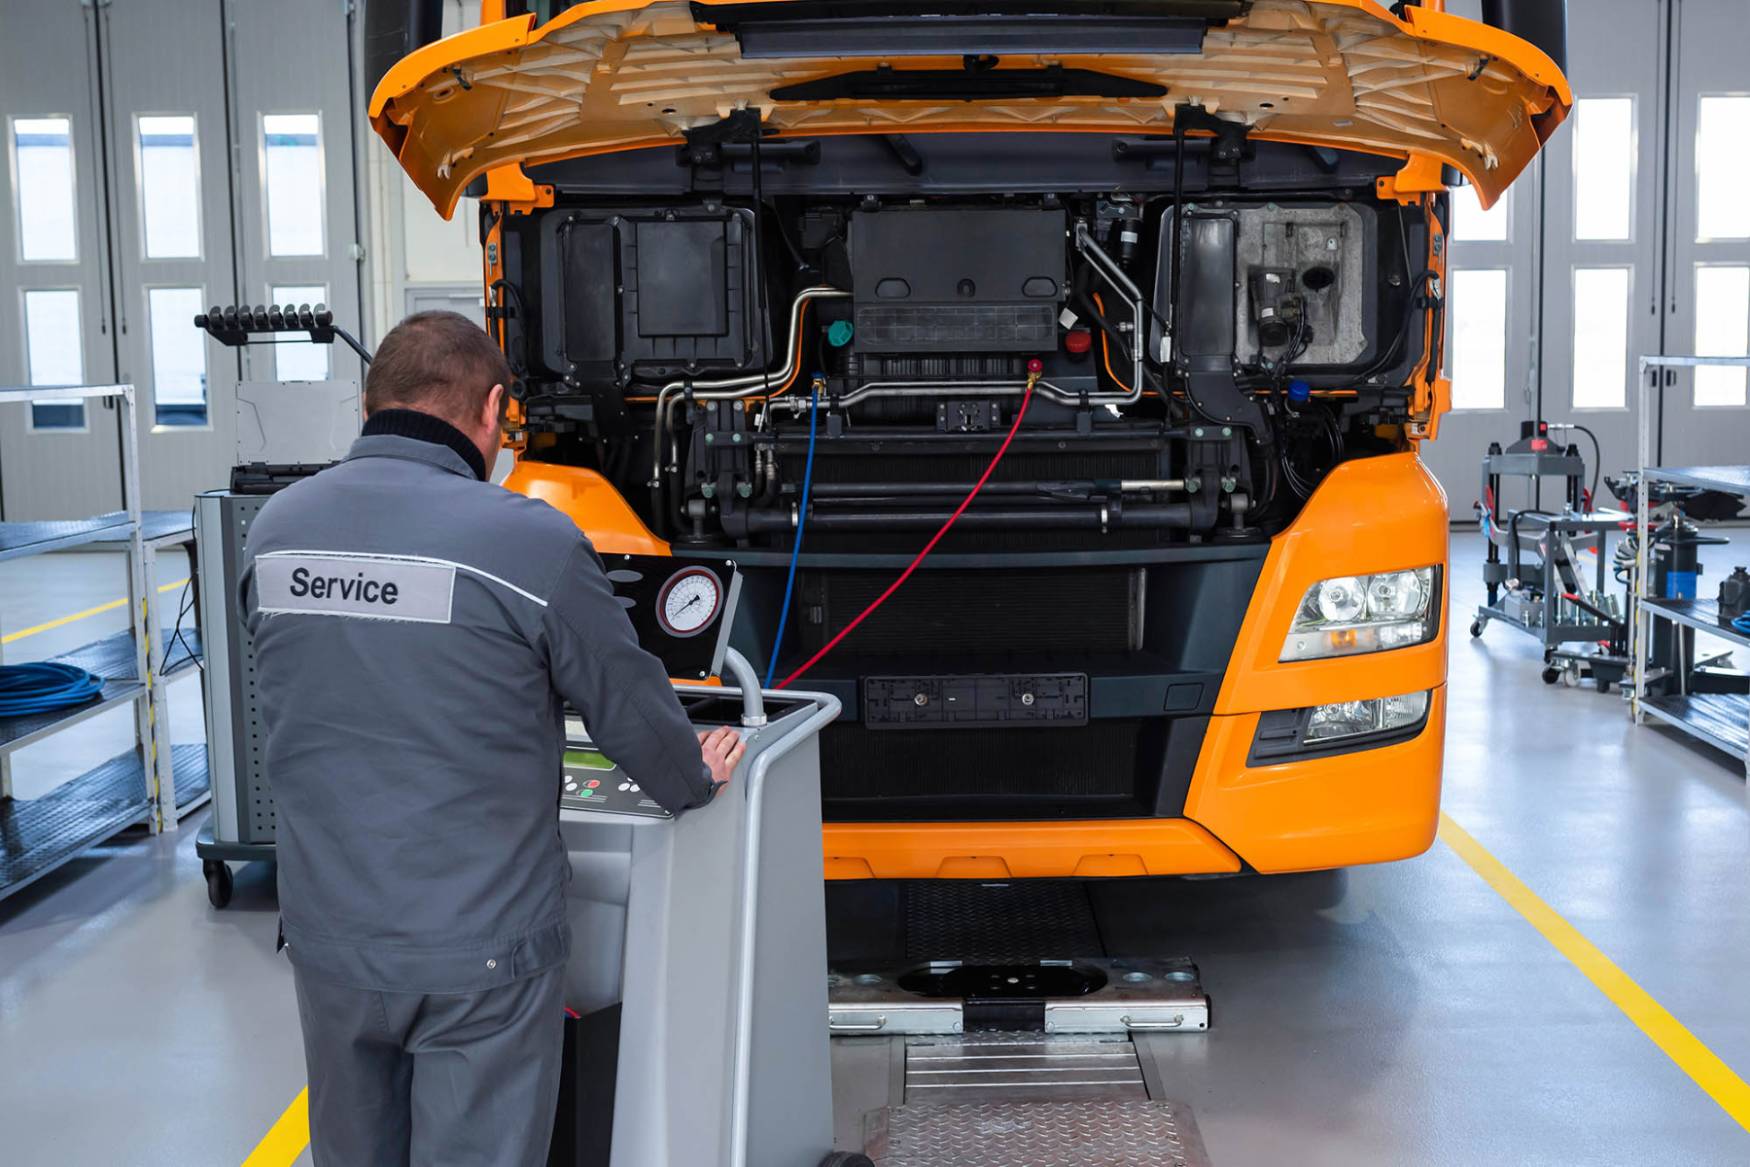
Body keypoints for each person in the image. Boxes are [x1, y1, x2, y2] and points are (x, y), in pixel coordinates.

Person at [241, 310, 743, 1166]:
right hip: (481, 954)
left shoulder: (275, 531)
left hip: (332, 941)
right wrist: (691, 774)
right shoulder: (529, 540)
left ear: (372, 407)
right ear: (493, 410)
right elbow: (626, 705)